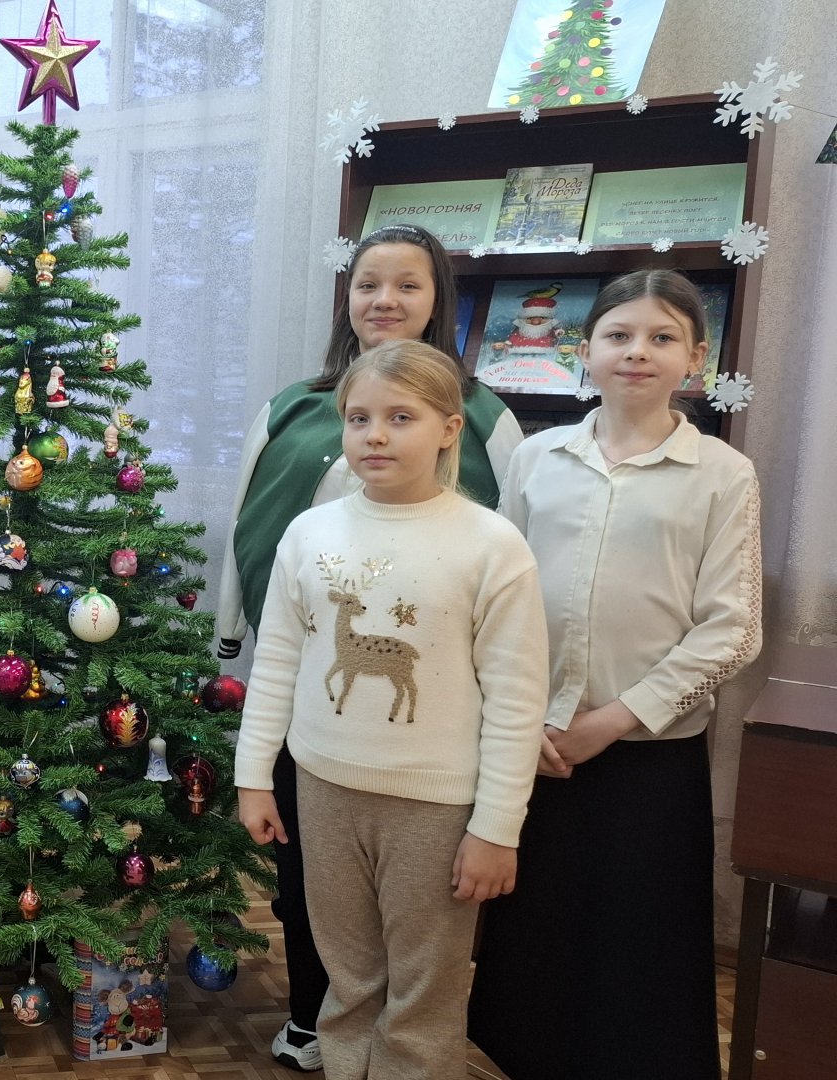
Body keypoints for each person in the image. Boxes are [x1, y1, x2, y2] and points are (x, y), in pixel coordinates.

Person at [211, 222, 522, 1072]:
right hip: (315, 726)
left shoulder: (487, 430)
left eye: (408, 284)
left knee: (422, 946)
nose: (385, 299)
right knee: (318, 896)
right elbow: (249, 529)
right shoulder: (291, 410)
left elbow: (516, 598)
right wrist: (228, 634)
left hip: (432, 762)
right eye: (368, 283)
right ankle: (317, 1025)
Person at [469, 269, 762, 1080]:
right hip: (537, 742)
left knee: (640, 937)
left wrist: (615, 717)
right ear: (585, 351)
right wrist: (520, 717)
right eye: (619, 335)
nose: (638, 352)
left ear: (695, 358)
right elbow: (495, 594)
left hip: (646, 753)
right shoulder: (536, 459)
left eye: (662, 337)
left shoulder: (722, 474)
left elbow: (733, 627)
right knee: (538, 930)